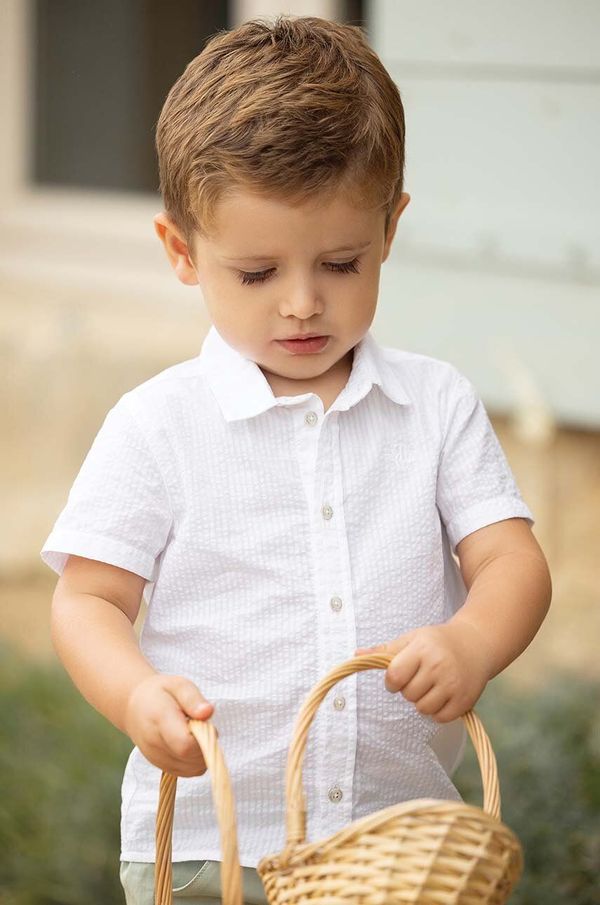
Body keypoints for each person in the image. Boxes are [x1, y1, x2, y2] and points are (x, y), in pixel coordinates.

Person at [41, 14, 552, 905]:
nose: (303, 304)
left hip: (395, 846)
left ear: (390, 229)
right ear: (181, 252)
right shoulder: (157, 425)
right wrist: (134, 695)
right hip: (213, 844)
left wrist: (472, 639)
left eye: (342, 263)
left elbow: (511, 561)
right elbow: (89, 599)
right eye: (256, 273)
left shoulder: (434, 406)